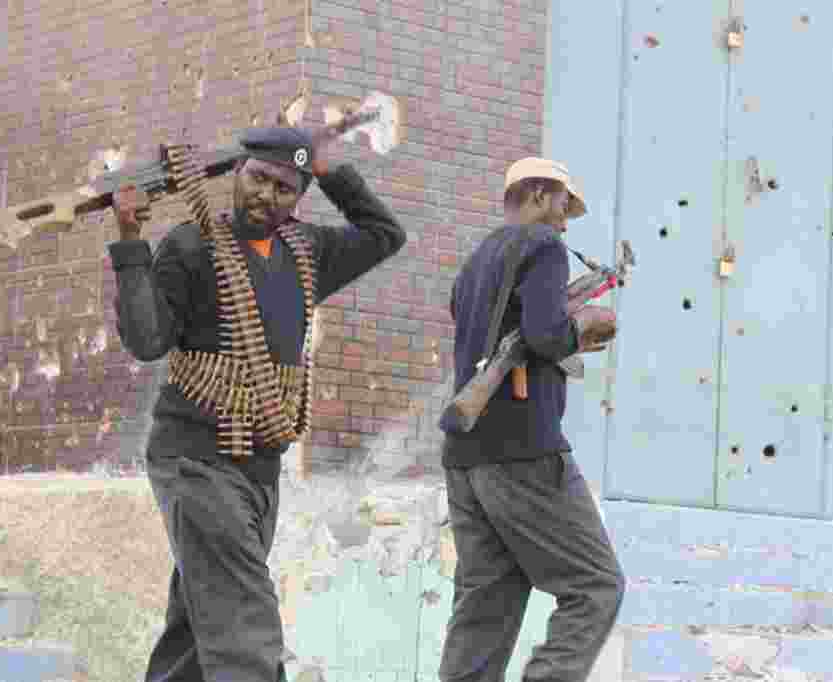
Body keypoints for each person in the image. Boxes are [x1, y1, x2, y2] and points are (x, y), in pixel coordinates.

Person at [109, 125, 406, 682]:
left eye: (284, 187)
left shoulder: (308, 251)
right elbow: (147, 343)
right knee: (244, 625)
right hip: (195, 458)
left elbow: (384, 233)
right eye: (258, 178)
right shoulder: (192, 245)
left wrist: (329, 170)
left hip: (259, 467)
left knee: (199, 629)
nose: (266, 195)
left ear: (299, 197)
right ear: (237, 175)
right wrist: (130, 243)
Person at [437, 157, 626, 682]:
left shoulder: (478, 258)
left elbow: (480, 324)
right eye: (564, 206)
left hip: (466, 458)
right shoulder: (543, 247)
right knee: (596, 584)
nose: (566, 223)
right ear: (540, 194)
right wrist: (583, 325)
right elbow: (544, 335)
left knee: (486, 602)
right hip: (524, 451)